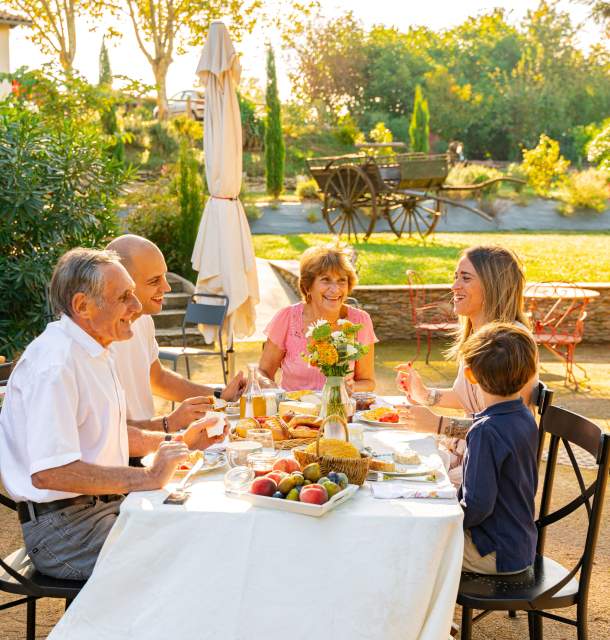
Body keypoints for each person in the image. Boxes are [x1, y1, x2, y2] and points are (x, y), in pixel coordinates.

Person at [0, 249, 226, 580]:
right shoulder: (56, 364)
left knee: (206, 526)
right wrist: (148, 478)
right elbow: (50, 473)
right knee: (189, 561)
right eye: (124, 297)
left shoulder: (93, 350)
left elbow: (109, 433)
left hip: (99, 510)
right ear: (82, 306)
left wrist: (179, 441)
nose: (136, 308)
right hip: (64, 533)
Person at [395, 245, 538, 483]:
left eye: (465, 278)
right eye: (455, 277)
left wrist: (440, 424)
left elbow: (507, 425)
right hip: (469, 455)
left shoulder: (511, 343)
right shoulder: (479, 336)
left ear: (492, 285)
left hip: (494, 474)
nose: (454, 286)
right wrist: (424, 394)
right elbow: (469, 397)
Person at [106, 235, 245, 433]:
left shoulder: (143, 320)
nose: (167, 287)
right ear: (122, 283)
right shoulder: (97, 340)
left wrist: (219, 395)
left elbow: (158, 379)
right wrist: (168, 423)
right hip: (128, 454)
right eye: (155, 280)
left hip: (149, 442)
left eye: (165, 276)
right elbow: (107, 433)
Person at [458, 322, 539, 574]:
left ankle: (425, 612)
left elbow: (478, 505)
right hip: (519, 545)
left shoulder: (486, 431)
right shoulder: (524, 416)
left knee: (421, 545)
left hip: (493, 552)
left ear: (470, 375)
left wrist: (446, 519)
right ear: (529, 374)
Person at [258, 245, 377, 392]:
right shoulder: (287, 318)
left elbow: (367, 382)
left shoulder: (360, 321)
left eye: (341, 280)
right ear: (308, 287)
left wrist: (349, 388)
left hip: (340, 411)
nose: (335, 289)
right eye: (326, 280)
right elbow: (262, 372)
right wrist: (268, 385)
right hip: (295, 411)